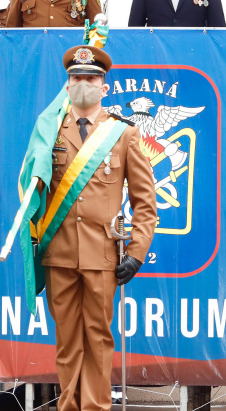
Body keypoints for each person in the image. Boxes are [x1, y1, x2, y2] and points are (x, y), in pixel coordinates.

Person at [42, 45, 158, 411]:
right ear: (67, 84)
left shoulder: (122, 134)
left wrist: (136, 254)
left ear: (104, 86)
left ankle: (93, 407)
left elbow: (145, 202)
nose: (83, 84)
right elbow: (33, 191)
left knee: (97, 337)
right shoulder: (49, 133)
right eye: (76, 78)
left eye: (91, 78)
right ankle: (68, 406)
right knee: (66, 341)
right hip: (58, 252)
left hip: (102, 254)